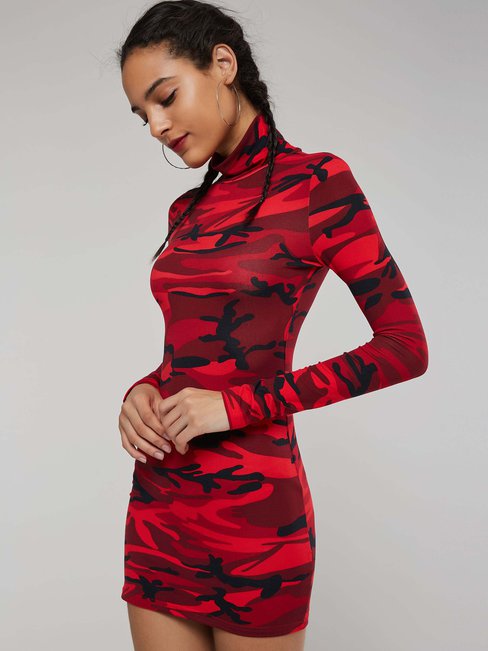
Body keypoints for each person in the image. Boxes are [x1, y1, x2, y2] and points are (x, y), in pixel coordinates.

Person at [116, 2, 429, 649]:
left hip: (257, 523)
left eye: (165, 97)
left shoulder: (319, 185)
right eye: (142, 114)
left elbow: (404, 347)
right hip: (161, 505)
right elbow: (190, 355)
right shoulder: (186, 210)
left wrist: (235, 406)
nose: (156, 125)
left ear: (222, 64)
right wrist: (142, 391)